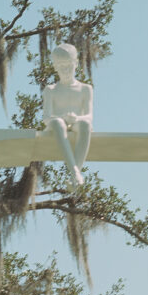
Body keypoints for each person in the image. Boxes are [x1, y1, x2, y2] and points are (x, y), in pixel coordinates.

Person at [42, 42, 93, 190]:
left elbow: (89, 116)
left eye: (68, 64)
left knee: (85, 125)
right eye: (60, 65)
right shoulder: (50, 90)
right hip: (58, 126)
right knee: (58, 123)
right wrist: (62, 118)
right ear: (55, 66)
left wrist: (77, 119)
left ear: (76, 63)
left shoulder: (85, 89)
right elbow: (47, 118)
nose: (65, 69)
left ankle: (74, 173)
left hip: (77, 124)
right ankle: (75, 173)